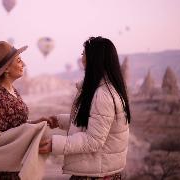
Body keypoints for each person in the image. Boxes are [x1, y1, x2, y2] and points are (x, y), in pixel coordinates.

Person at [39, 36, 131, 180]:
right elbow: (91, 122)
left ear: (94, 58)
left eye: (84, 53)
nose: (81, 58)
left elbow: (93, 140)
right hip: (96, 171)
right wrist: (59, 120)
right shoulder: (99, 89)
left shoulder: (103, 95)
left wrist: (55, 144)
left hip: (95, 175)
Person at [0, 41, 47, 180]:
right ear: (6, 69)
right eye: (19, 61)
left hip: (13, 169)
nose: (24, 64)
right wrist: (30, 129)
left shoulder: (13, 91)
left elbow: (12, 126)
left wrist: (34, 123)